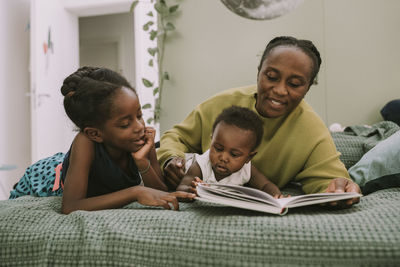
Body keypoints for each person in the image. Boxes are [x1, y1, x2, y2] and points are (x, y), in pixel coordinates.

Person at [157, 36, 360, 207]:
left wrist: (341, 188)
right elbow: (176, 137)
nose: (280, 90)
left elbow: (330, 179)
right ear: (259, 72)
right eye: (271, 77)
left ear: (307, 87)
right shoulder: (222, 104)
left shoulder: (311, 129)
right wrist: (171, 160)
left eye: (295, 84)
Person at [10, 67, 195, 213]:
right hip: (48, 177)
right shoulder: (85, 142)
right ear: (95, 134)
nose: (139, 126)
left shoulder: (140, 136)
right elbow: (70, 206)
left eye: (139, 115)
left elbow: (160, 192)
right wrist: (136, 192)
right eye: (125, 124)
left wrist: (142, 163)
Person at [176, 106, 282, 198]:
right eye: (218, 148)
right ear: (211, 141)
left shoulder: (247, 170)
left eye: (234, 154)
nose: (223, 158)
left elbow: (265, 185)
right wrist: (192, 190)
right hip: (178, 164)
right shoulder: (200, 165)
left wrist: (277, 197)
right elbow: (181, 189)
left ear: (249, 158)